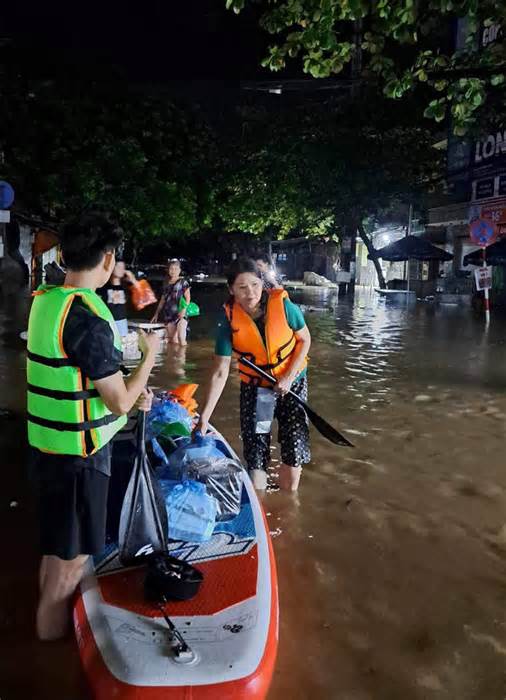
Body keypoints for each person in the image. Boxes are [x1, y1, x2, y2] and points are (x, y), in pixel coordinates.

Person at [26, 213, 160, 641]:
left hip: (47, 450)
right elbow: (118, 399)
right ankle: (49, 657)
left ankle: (42, 638)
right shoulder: (85, 317)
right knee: (68, 570)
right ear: (107, 258)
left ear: (63, 256)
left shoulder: (46, 300)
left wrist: (130, 388)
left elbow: (81, 381)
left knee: (55, 554)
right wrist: (150, 357)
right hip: (78, 463)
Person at [196, 258, 311, 492]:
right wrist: (204, 416)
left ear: (262, 284)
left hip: (292, 383)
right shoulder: (227, 321)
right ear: (231, 290)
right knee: (256, 448)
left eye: (255, 285)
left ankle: (289, 500)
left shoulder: (285, 307)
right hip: (257, 389)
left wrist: (288, 378)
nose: (250, 293)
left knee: (294, 445)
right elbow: (220, 371)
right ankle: (261, 505)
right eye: (242, 287)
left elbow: (305, 340)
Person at [151, 258, 191, 346]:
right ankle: (175, 359)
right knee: (173, 340)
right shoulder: (166, 283)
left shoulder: (183, 282)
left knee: (181, 338)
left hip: (181, 314)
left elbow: (188, 298)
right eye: (171, 269)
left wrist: (184, 310)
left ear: (180, 270)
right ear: (168, 270)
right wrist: (156, 313)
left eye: (176, 269)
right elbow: (162, 300)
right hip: (169, 315)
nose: (173, 271)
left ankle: (183, 358)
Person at [98, 260, 137, 338]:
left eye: (123, 267)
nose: (121, 269)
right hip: (108, 321)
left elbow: (144, 297)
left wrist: (134, 280)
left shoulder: (126, 286)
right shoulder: (103, 286)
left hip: (121, 321)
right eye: (118, 267)